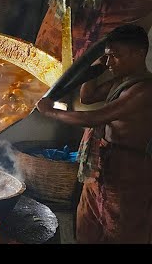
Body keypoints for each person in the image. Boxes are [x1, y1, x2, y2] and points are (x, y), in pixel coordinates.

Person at [36, 24, 152, 244]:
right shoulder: (122, 82)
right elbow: (88, 97)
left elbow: (93, 117)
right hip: (101, 168)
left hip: (129, 172)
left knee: (122, 232)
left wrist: (51, 112)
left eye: (116, 56)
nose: (110, 63)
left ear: (139, 54)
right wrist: (97, 67)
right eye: (108, 57)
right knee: (88, 225)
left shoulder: (144, 90)